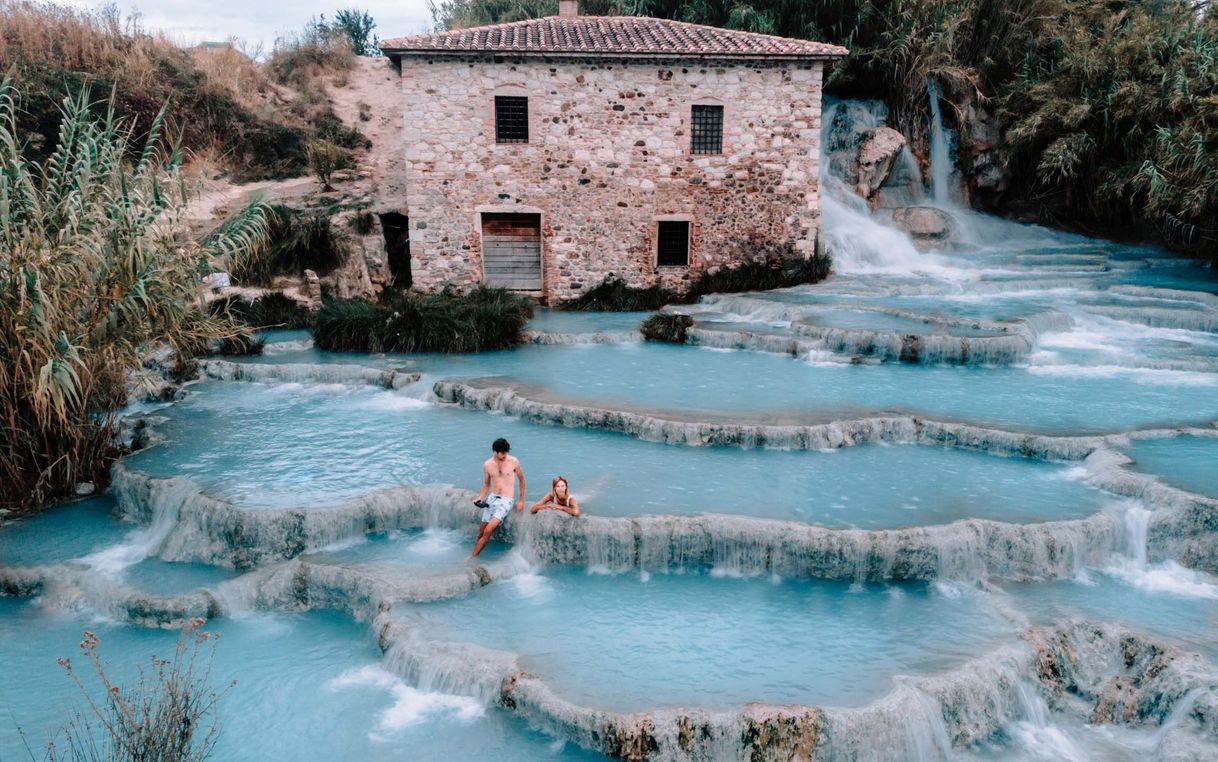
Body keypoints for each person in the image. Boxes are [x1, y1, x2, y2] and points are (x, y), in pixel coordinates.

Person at [469, 438, 525, 559]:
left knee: (488, 531)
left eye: (506, 452)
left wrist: (521, 500)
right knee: (481, 531)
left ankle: (471, 558)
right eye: (503, 453)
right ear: (495, 451)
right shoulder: (487, 465)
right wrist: (479, 497)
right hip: (492, 499)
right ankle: (474, 553)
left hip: (506, 500)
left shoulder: (513, 461)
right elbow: (487, 484)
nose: (505, 455)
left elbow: (522, 480)